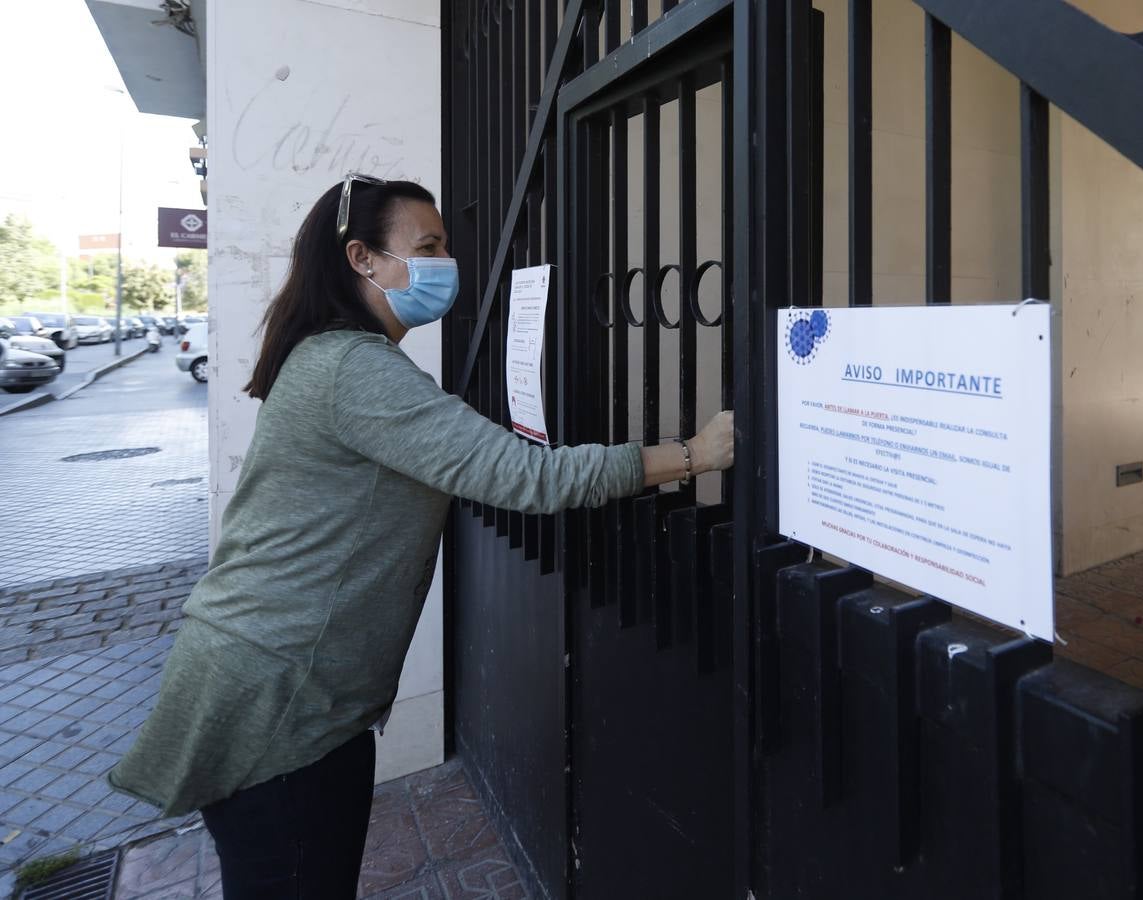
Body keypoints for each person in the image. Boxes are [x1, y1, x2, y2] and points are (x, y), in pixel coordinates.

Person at [107, 174, 735, 899]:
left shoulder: (333, 357)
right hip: (278, 695)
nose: (446, 264)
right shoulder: (352, 367)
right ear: (362, 259)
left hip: (277, 678)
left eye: (445, 246)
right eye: (427, 246)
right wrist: (693, 454)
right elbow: (529, 479)